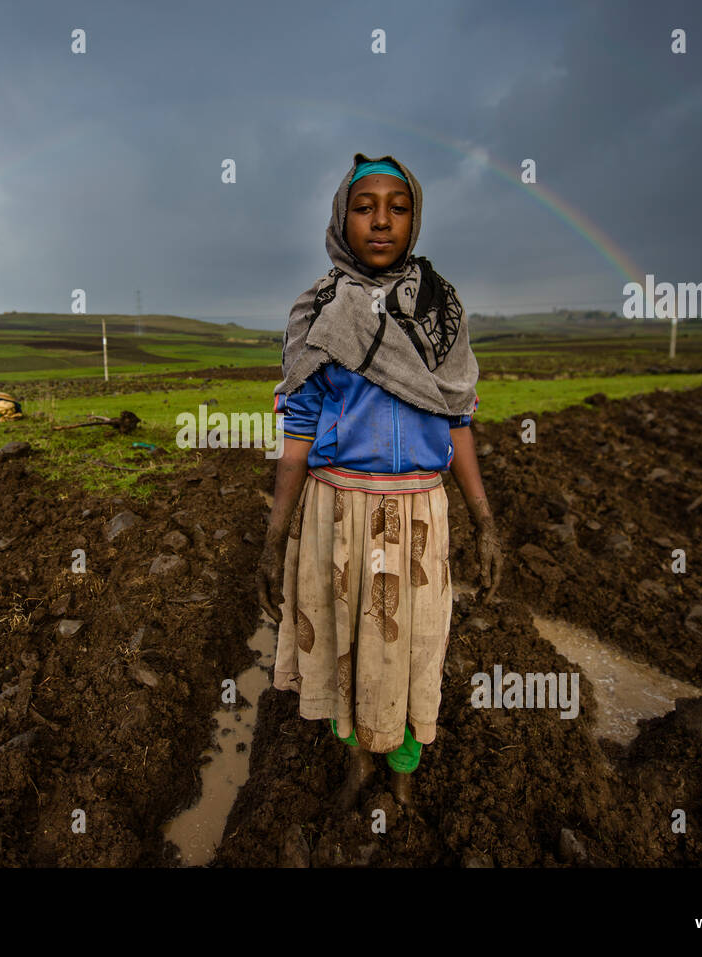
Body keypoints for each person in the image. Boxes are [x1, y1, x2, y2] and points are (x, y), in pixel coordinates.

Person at [257, 153, 503, 810]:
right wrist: (275, 531)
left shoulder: (440, 310)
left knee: (417, 644)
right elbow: (300, 428)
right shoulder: (319, 311)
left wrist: (483, 519)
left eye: (398, 206)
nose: (382, 220)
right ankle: (358, 761)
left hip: (418, 513)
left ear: (415, 219)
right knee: (346, 641)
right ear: (343, 218)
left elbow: (457, 418)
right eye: (365, 206)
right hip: (337, 508)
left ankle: (402, 764)